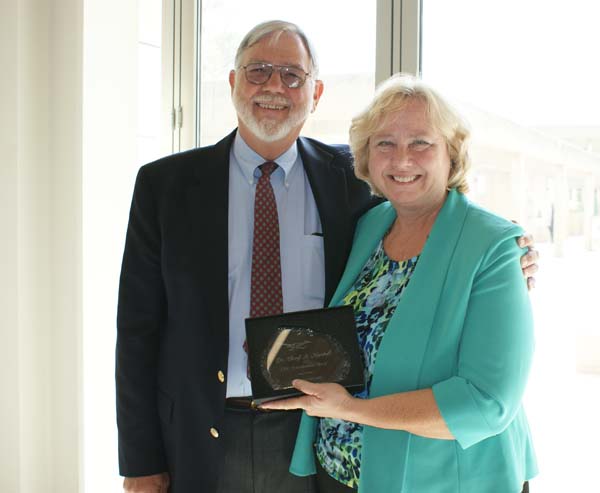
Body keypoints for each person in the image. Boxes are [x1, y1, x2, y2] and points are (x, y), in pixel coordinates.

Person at [116, 21, 538, 493]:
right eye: (258, 71)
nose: (275, 86)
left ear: (314, 93)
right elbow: (137, 331)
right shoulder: (165, 186)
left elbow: (440, 209)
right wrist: (140, 460)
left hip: (313, 436)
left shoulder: (350, 184)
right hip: (205, 430)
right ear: (233, 83)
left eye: (292, 75)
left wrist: (511, 252)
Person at [262, 74, 537, 493]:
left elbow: (486, 403)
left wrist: (354, 409)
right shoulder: (372, 224)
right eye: (385, 143)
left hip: (442, 480)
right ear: (366, 158)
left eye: (421, 143)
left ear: (452, 153)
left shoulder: (493, 245)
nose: (401, 160)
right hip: (342, 473)